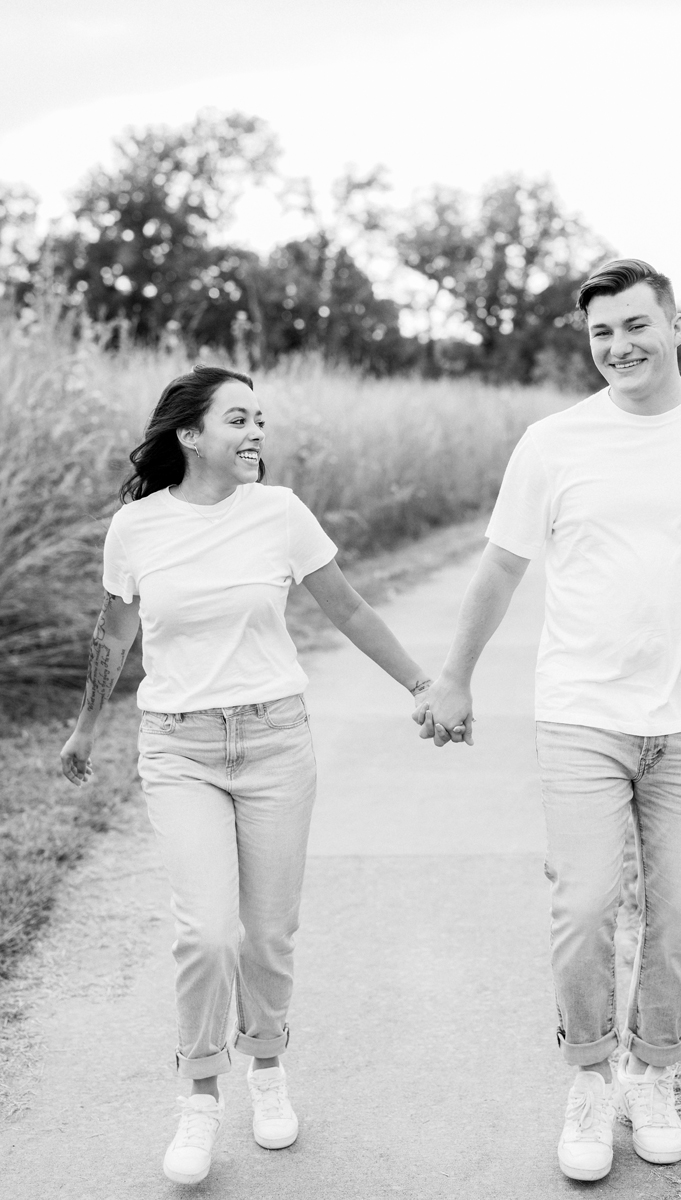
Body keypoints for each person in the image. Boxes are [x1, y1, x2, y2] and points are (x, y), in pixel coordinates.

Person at [415, 259, 681, 1182]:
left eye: (637, 325)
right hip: (582, 713)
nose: (620, 346)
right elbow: (502, 567)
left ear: (678, 325)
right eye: (601, 333)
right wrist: (456, 677)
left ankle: (655, 1075)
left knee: (678, 918)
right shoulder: (555, 442)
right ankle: (590, 1080)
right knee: (585, 906)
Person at [60, 365, 431, 1187]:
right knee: (207, 932)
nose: (256, 432)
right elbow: (113, 633)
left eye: (261, 418)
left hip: (273, 741)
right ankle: (199, 1098)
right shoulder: (138, 528)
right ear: (190, 435)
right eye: (238, 419)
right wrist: (88, 725)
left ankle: (267, 1071)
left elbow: (350, 609)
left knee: (266, 934)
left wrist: (421, 684)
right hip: (178, 747)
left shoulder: (282, 513)